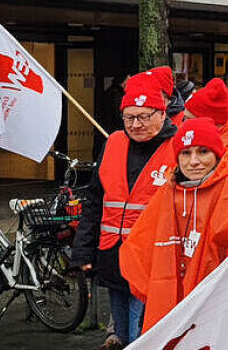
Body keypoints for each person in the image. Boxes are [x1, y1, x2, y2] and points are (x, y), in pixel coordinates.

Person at [120, 118, 228, 332]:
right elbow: (140, 246)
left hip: (222, 306)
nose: (194, 161)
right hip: (176, 302)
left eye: (203, 152)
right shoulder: (170, 190)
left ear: (217, 153)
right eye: (186, 154)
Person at [71, 68, 179, 346]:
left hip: (153, 262)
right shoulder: (113, 143)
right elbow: (95, 202)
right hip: (112, 256)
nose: (136, 124)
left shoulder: (178, 148)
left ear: (162, 113)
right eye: (129, 117)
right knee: (121, 331)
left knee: (140, 335)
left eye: (144, 116)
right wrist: (82, 251)